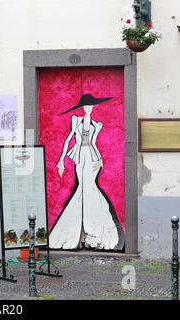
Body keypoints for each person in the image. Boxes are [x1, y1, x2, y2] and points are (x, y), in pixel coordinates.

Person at [48, 93, 125, 251]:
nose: (89, 108)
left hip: (91, 156)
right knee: (81, 187)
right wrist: (61, 159)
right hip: (79, 156)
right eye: (87, 106)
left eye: (91, 106)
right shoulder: (75, 120)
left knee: (89, 187)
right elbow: (68, 139)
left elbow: (94, 144)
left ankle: (92, 231)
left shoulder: (97, 125)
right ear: (82, 107)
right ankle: (80, 232)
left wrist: (100, 161)